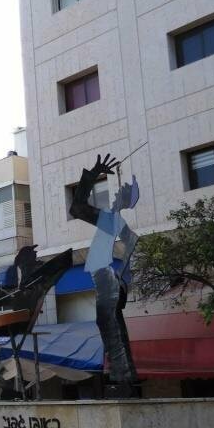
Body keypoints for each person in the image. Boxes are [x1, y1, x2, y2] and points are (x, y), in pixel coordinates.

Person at [69, 154, 141, 395]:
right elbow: (131, 242)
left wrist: (119, 275)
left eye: (121, 194)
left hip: (107, 279)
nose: (116, 195)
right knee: (111, 324)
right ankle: (125, 376)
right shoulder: (114, 221)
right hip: (108, 279)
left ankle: (123, 378)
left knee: (109, 324)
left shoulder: (110, 219)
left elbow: (77, 208)